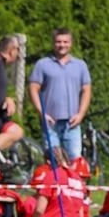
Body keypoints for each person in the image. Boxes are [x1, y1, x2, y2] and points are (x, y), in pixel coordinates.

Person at [27, 28, 91, 161]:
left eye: (65, 42)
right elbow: (33, 88)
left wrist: (81, 114)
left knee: (75, 161)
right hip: (51, 122)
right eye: (58, 42)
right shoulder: (42, 64)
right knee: (53, 162)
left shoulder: (80, 65)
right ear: (53, 43)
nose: (62, 45)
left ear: (71, 43)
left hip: (72, 123)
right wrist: (41, 113)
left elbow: (86, 90)